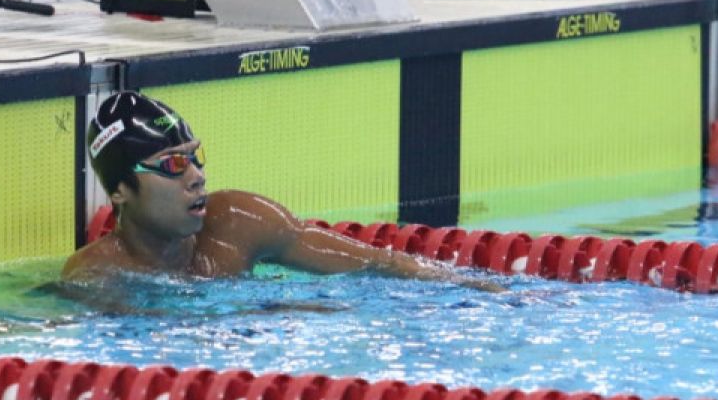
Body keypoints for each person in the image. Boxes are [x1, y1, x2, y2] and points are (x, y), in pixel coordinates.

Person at [64, 92, 505, 292]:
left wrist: (469, 285)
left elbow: (378, 264)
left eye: (196, 157)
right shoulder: (97, 276)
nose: (196, 176)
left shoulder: (239, 222)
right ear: (120, 190)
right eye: (174, 165)